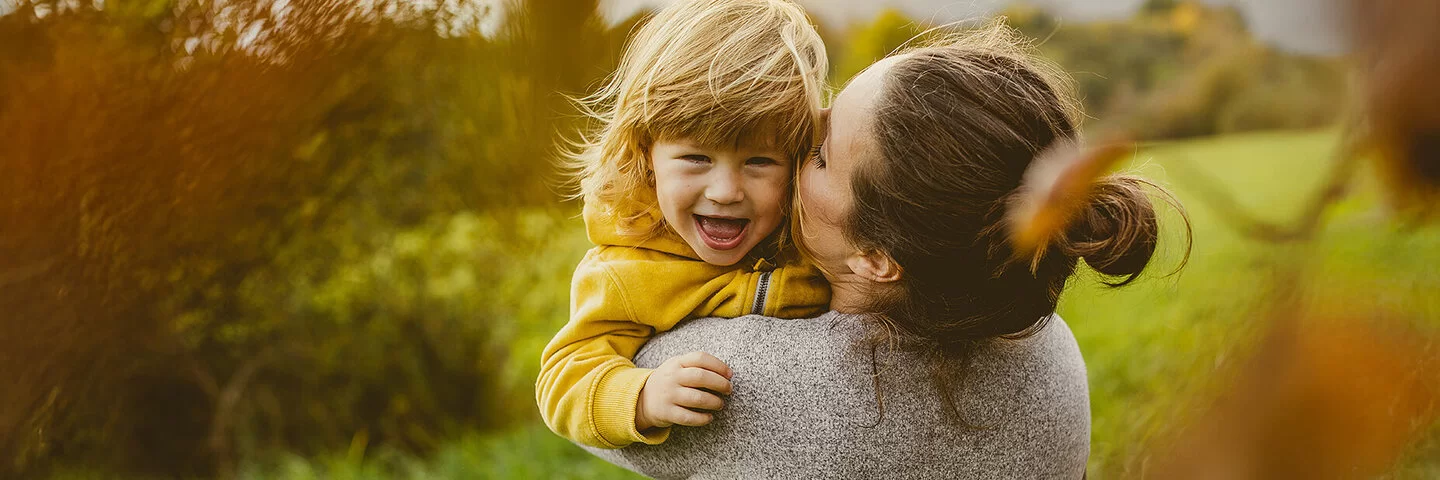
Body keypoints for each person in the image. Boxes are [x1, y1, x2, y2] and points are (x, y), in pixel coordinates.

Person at [588, 21, 1187, 478]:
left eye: (818, 154)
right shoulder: (1048, 344)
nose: (796, 144)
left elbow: (587, 406)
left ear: (877, 257)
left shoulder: (743, 380)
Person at [535, 0, 833, 449]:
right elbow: (563, 375)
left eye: (758, 161)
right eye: (697, 158)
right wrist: (641, 397)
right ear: (646, 154)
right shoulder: (628, 270)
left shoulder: (811, 232)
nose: (725, 191)